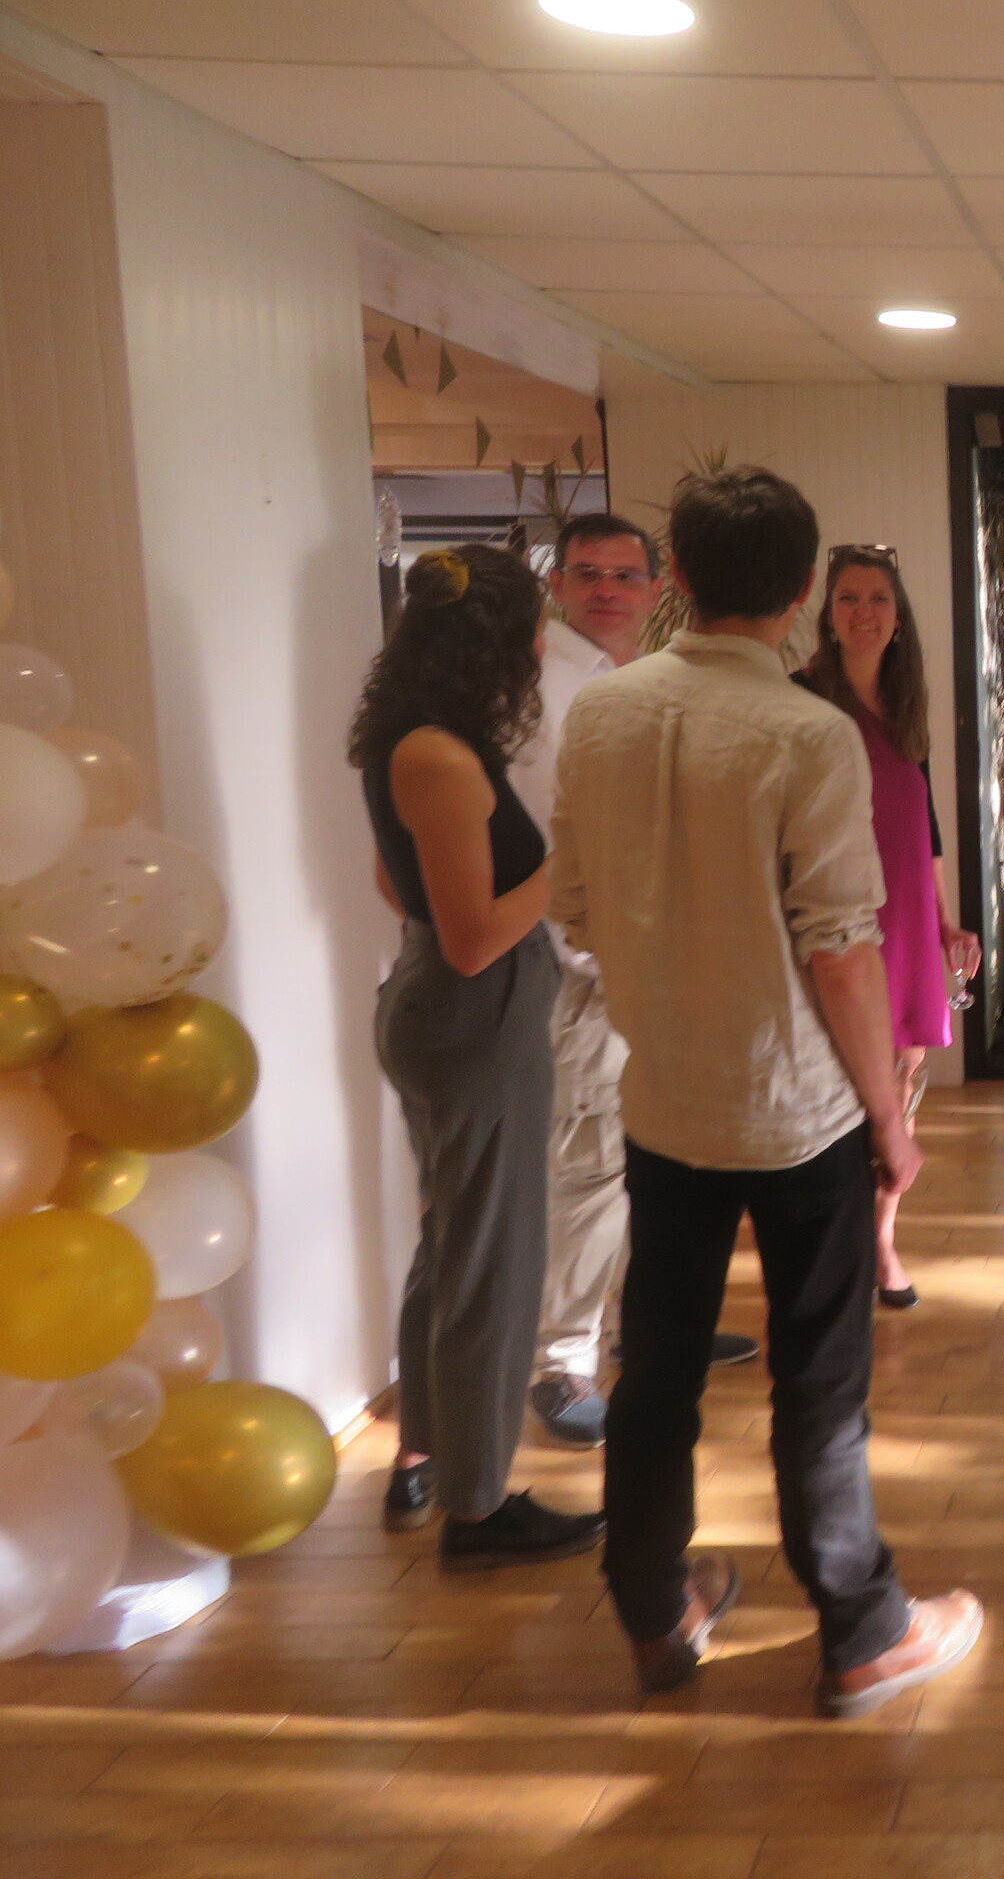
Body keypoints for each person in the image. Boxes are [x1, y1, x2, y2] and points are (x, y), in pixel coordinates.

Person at [553, 465, 982, 1714]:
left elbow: (574, 909)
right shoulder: (810, 734)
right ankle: (861, 1629)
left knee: (658, 1373)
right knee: (819, 1380)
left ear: (678, 575)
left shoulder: (601, 713)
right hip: (799, 1116)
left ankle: (654, 1606)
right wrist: (892, 1121)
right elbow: (840, 948)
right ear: (802, 595)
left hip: (663, 1103)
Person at [352, 545, 602, 1570]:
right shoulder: (444, 758)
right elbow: (473, 939)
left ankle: (429, 1459)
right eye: (537, 628)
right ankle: (479, 1508)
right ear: (496, 640)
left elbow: (394, 886)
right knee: (494, 1266)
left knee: (449, 1246)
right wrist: (573, 857)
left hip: (440, 1009)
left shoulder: (407, 740)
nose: (543, 647)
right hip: (476, 1015)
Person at [503, 516, 760, 1453]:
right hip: (587, 976)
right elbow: (554, 854)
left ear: (658, 589)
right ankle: (563, 1362)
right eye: (587, 574)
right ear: (557, 587)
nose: (606, 590)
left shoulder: (627, 686)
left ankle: (635, 1330)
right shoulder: (545, 694)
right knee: (588, 1168)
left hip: (648, 968)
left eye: (623, 575)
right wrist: (607, 966)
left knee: (648, 1165)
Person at [795, 544, 982, 1313]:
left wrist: (946, 923)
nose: (864, 612)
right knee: (842, 1074)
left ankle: (881, 1236)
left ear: (898, 617)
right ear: (828, 614)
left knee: (902, 1075)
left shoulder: (906, 708)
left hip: (907, 911)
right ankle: (837, 1240)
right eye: (848, 598)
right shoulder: (802, 697)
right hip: (840, 913)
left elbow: (925, 828)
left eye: (878, 599)